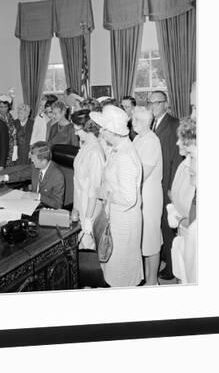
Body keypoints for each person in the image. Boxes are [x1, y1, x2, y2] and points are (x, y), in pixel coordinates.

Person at [90, 105, 143, 287]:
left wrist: (106, 194)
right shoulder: (118, 149)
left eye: (104, 128)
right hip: (116, 219)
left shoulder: (126, 156)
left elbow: (129, 199)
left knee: (122, 275)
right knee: (114, 271)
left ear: (112, 130)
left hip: (123, 224)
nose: (101, 132)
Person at [148, 91, 182, 281]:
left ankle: (171, 269)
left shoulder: (173, 123)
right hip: (156, 184)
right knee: (160, 226)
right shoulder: (153, 124)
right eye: (150, 103)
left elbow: (177, 160)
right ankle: (163, 258)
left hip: (167, 185)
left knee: (168, 229)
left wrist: (172, 188)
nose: (153, 106)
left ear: (166, 104)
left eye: (157, 102)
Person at [132, 106, 163, 285]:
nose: (132, 122)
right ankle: (147, 279)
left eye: (135, 119)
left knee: (151, 240)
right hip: (141, 193)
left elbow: (143, 172)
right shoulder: (138, 138)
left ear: (144, 123)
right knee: (144, 240)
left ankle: (153, 282)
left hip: (149, 196)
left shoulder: (152, 141)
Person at [167, 117, 197, 284]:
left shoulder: (196, 169)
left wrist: (179, 219)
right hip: (182, 234)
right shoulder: (184, 164)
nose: (178, 143)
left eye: (182, 140)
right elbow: (176, 194)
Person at [0, 141, 65, 209]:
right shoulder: (36, 166)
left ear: (44, 161)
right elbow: (21, 174)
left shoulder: (57, 176)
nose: (32, 161)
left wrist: (38, 196)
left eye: (34, 159)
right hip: (31, 204)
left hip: (45, 210)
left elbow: (58, 204)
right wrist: (3, 177)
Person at [70, 109, 105, 249]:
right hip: (80, 204)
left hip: (89, 207)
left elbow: (94, 189)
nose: (75, 133)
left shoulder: (95, 152)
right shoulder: (85, 146)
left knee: (88, 249)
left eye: (77, 130)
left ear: (87, 129)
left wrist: (89, 219)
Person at [0, 95, 17, 166]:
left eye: (5, 107)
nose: (3, 109)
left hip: (10, 146)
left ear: (8, 107)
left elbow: (13, 128)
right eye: (1, 107)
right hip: (0, 147)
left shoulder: (10, 116)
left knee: (10, 168)